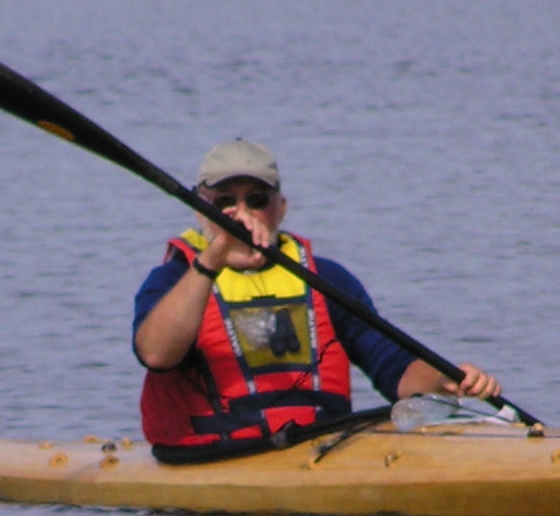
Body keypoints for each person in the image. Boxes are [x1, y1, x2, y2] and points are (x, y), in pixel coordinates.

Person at [133, 139, 500, 456]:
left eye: (257, 200)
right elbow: (156, 354)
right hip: (211, 462)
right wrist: (211, 260)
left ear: (281, 208)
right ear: (200, 210)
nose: (241, 213)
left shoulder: (325, 279)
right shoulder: (173, 280)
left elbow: (393, 369)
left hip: (316, 451)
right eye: (224, 201)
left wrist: (446, 379)